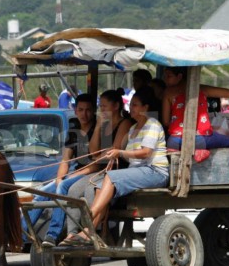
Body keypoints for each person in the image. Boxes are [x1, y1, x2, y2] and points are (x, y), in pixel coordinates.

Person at [68, 89, 169, 244]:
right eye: (131, 104)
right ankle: (90, 232)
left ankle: (91, 215)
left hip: (154, 171)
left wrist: (119, 152)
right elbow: (113, 149)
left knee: (110, 177)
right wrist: (113, 151)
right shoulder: (132, 129)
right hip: (137, 171)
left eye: (135, 105)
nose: (131, 108)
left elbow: (146, 153)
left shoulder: (152, 125)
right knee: (98, 186)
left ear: (145, 107)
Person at [60, 89, 133, 245]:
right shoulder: (104, 124)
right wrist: (99, 125)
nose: (101, 109)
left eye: (104, 106)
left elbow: (113, 151)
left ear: (115, 106)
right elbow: (94, 151)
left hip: (115, 169)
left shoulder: (124, 123)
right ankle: (72, 233)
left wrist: (92, 164)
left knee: (89, 189)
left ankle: (90, 231)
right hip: (100, 168)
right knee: (73, 190)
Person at [24, 94, 97, 247]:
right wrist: (59, 178)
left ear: (94, 111)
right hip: (75, 172)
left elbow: (98, 164)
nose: (84, 114)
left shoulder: (98, 130)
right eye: (81, 110)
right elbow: (65, 160)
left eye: (88, 110)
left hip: (91, 173)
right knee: (42, 193)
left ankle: (52, 235)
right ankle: (22, 234)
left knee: (63, 187)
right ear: (75, 110)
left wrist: (67, 179)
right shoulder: (73, 130)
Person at [162, 66, 229, 150]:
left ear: (179, 76)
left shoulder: (168, 93)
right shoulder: (202, 89)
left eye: (168, 76)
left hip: (174, 141)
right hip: (200, 140)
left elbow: (166, 122)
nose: (165, 79)